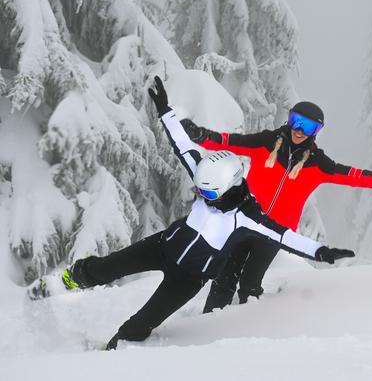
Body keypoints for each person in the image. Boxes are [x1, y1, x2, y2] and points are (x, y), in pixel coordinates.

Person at [59, 77, 354, 350]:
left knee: (142, 323)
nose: (203, 196)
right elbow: (182, 145)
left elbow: (284, 236)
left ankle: (111, 353)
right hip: (163, 246)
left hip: (188, 279)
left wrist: (321, 252)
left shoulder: (246, 216)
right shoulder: (206, 175)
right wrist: (165, 111)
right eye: (201, 191)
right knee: (108, 267)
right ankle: (71, 279)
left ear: (228, 186)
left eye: (209, 194)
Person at [181, 100, 372, 313]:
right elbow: (232, 141)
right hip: (245, 221)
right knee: (225, 276)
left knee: (250, 283)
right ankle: (209, 326)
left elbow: (353, 175)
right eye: (297, 121)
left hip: (274, 231)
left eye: (308, 126)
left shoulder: (318, 164)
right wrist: (202, 135)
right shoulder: (266, 143)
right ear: (289, 120)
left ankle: (247, 329)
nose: (299, 130)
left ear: (316, 132)